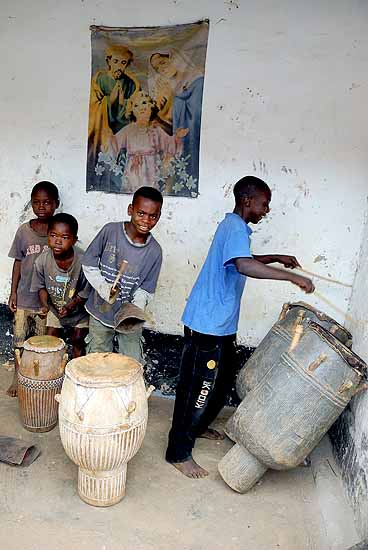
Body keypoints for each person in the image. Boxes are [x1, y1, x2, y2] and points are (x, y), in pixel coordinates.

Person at [166, 175, 315, 479]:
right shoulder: (234, 226)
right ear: (247, 200)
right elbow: (243, 265)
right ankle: (178, 452)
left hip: (219, 325)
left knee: (219, 386)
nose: (266, 210)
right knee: (198, 389)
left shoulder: (236, 229)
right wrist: (290, 278)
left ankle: (199, 426)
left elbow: (241, 259)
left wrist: (275, 257)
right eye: (264, 203)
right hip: (206, 325)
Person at [82, 186, 163, 362]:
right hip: (100, 312)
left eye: (153, 216)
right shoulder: (110, 231)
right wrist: (104, 288)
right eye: (141, 213)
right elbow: (88, 264)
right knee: (97, 360)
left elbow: (146, 290)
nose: (146, 220)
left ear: (159, 216)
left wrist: (133, 311)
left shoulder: (155, 251)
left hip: (129, 320)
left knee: (131, 363)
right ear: (130, 209)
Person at [7, 181, 60, 397]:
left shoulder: (58, 231)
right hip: (23, 298)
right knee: (19, 342)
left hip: (44, 304)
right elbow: (18, 262)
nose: (41, 207)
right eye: (36, 202)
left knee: (41, 344)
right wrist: (12, 292)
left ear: (56, 204)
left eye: (47, 202)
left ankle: (38, 380)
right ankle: (17, 378)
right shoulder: (23, 231)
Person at [31, 213, 90, 358]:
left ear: (74, 240)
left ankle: (76, 372)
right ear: (47, 235)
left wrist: (72, 305)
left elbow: (87, 290)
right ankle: (54, 371)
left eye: (64, 237)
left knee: (78, 339)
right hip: (55, 308)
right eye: (53, 235)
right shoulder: (42, 261)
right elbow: (41, 287)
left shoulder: (83, 261)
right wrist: (44, 305)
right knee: (51, 340)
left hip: (79, 312)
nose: (57, 241)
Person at [107, 90, 188, 193]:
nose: (141, 107)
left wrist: (177, 136)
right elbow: (114, 143)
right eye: (136, 105)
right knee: (132, 191)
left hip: (151, 170)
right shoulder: (129, 130)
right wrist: (109, 137)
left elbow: (169, 143)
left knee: (150, 193)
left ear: (151, 106)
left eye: (144, 103)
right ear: (132, 111)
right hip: (133, 170)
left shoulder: (156, 130)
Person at [87, 44, 140, 192]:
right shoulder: (100, 79)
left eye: (123, 63)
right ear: (109, 61)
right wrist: (109, 102)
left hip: (122, 129)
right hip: (102, 128)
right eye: (115, 61)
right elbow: (93, 105)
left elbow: (134, 110)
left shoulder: (130, 84)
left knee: (120, 165)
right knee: (103, 159)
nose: (119, 66)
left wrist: (124, 104)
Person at [149, 49, 204, 186]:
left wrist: (175, 95)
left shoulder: (197, 79)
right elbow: (167, 119)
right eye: (157, 68)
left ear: (173, 58)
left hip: (192, 133)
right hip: (178, 135)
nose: (162, 69)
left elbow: (196, 112)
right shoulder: (170, 90)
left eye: (163, 62)